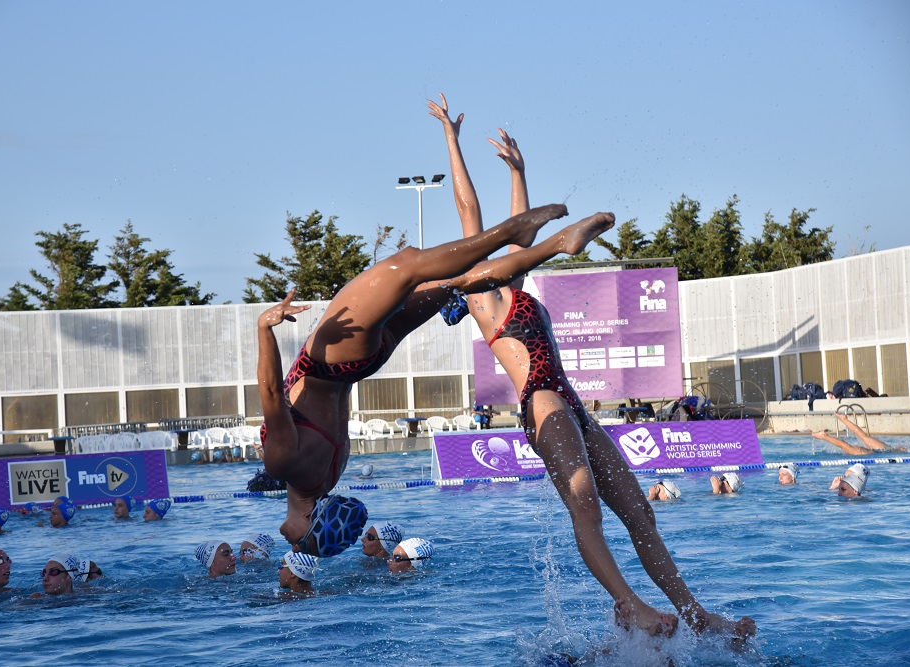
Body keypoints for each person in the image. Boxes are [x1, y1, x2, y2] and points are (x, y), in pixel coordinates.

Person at [428, 93, 754, 643]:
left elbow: (521, 231)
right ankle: (631, 605)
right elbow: (472, 216)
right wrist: (451, 139)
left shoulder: (514, 283)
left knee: (640, 513)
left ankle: (696, 614)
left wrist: (518, 171)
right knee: (585, 506)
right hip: (541, 402)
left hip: (573, 404)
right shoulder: (481, 290)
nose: (502, 249)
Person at [257, 177, 589, 558]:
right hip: (334, 356)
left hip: (362, 363)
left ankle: (554, 246)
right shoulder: (283, 464)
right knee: (407, 266)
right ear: (311, 517)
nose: (292, 543)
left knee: (457, 283)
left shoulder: (329, 475)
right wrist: (264, 328)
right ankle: (512, 232)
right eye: (301, 541)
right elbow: (271, 392)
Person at [812, 413, 905, 456]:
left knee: (862, 438)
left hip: (884, 450)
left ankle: (844, 420)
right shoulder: (900, 452)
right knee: (849, 447)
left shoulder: (899, 451)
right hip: (882, 452)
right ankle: (825, 436)